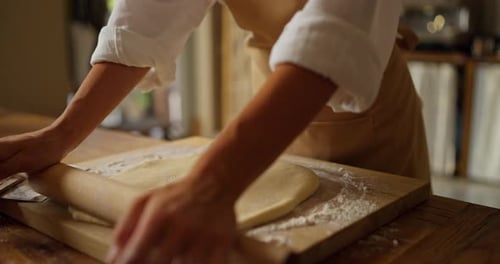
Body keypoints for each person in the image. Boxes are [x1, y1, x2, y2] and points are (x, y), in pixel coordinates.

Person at [0, 0, 430, 263]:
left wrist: (212, 185)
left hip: (366, 115)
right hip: (273, 114)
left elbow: (337, 32)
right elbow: (145, 19)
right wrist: (60, 134)